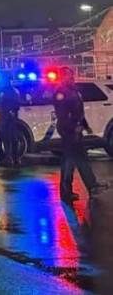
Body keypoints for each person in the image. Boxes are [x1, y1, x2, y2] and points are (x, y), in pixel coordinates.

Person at [54, 67, 108, 202]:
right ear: (62, 77)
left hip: (76, 130)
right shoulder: (61, 93)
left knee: (74, 159)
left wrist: (85, 126)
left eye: (72, 75)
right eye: (69, 76)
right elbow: (62, 116)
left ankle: (77, 189)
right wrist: (73, 128)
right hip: (68, 131)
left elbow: (79, 112)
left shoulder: (74, 91)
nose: (72, 78)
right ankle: (87, 187)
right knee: (75, 160)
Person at [0, 76, 21, 166]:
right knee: (13, 139)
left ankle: (9, 158)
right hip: (12, 119)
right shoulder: (14, 91)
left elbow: (1, 104)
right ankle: (16, 158)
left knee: (7, 139)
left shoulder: (5, 92)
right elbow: (17, 105)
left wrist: (5, 113)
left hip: (6, 118)